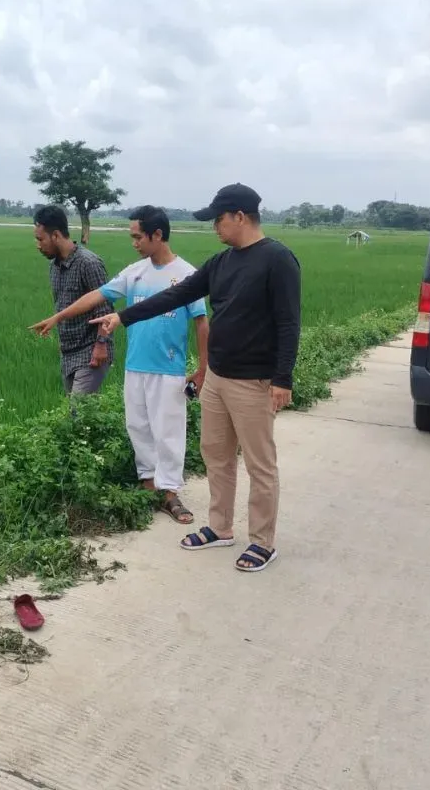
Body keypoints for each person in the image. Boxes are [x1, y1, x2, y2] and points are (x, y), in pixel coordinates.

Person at [90, 183, 301, 573]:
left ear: (240, 216)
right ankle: (220, 527)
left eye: (218, 220)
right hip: (218, 378)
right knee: (216, 456)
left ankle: (262, 541)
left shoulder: (277, 259)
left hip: (254, 381)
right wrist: (122, 316)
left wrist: (282, 379)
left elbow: (289, 323)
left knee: (259, 464)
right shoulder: (221, 263)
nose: (214, 228)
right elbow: (176, 294)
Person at [30, 205, 210, 524]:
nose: (134, 242)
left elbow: (201, 323)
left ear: (157, 235)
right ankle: (148, 483)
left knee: (168, 431)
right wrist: (58, 317)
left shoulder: (186, 276)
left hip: (168, 368)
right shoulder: (134, 272)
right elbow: (96, 296)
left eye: (138, 236)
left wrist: (202, 369)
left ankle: (170, 493)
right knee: (137, 426)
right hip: (135, 366)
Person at [32, 204, 115, 395]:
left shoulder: (88, 263)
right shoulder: (54, 266)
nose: (38, 245)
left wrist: (101, 345)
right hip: (68, 351)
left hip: (91, 349)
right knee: (81, 416)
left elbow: (105, 309)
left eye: (40, 239)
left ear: (56, 235)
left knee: (78, 412)